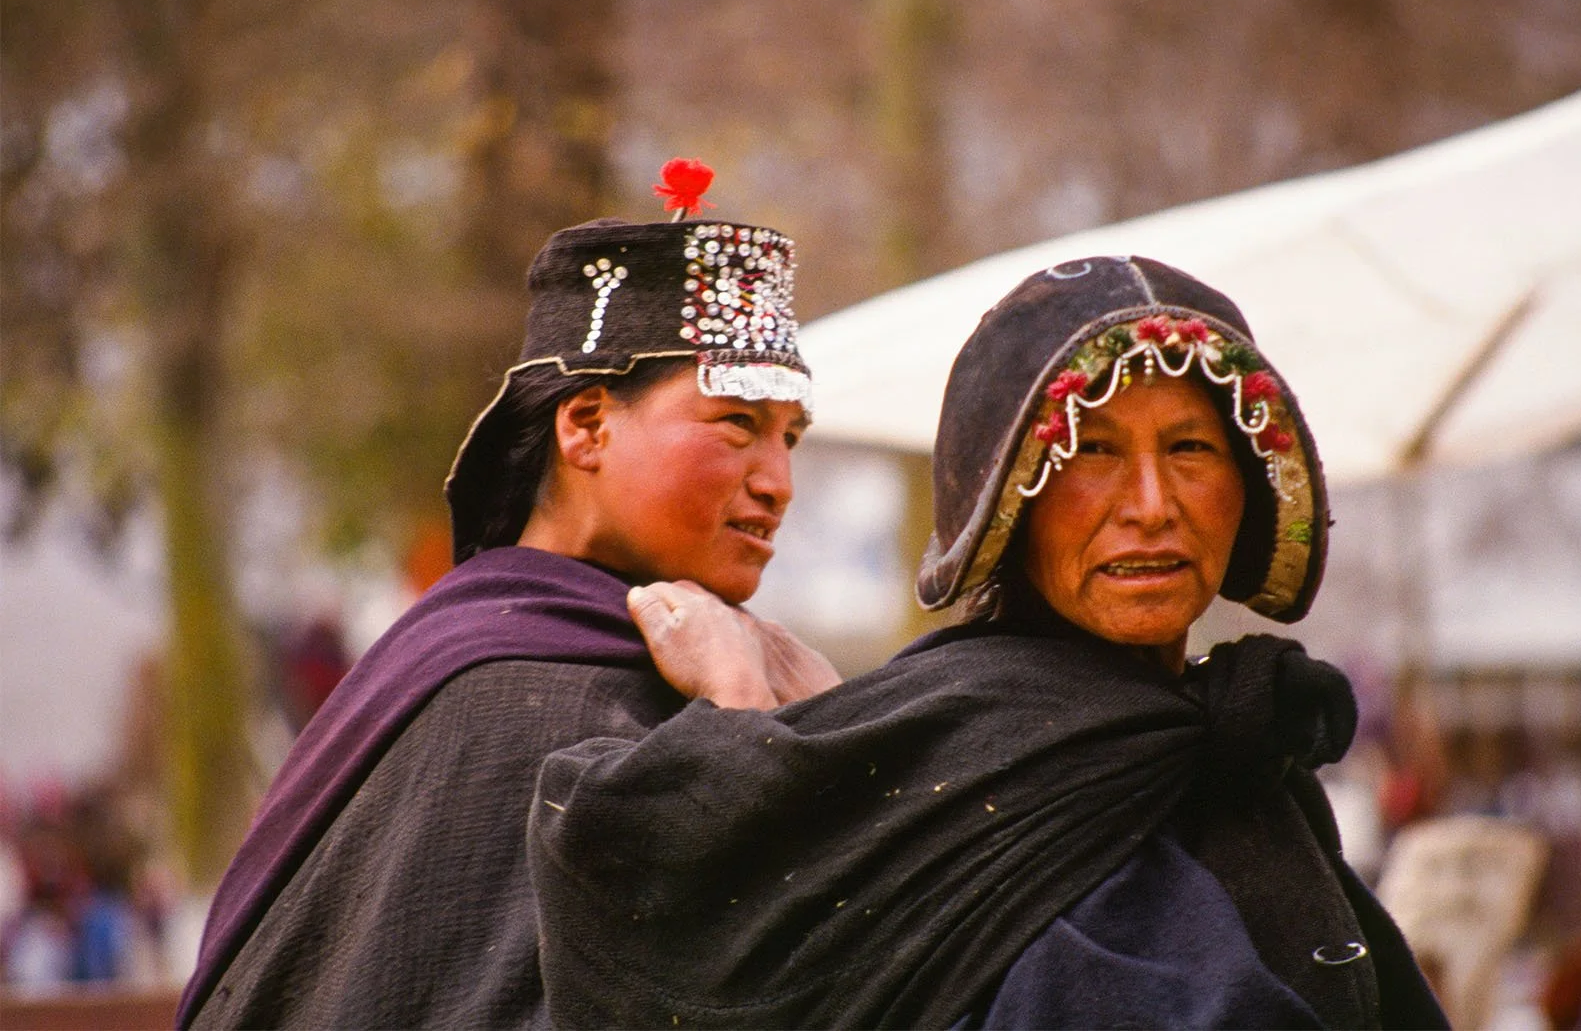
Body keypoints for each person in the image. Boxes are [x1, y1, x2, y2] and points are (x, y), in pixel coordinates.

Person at [531, 256, 1449, 1028]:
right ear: (1011, 502)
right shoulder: (930, 749)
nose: (1152, 506)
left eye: (1191, 450)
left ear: (1250, 485)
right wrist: (741, 725)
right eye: (1091, 450)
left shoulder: (1241, 760)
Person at [177, 160, 835, 1027]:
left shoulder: (529, 651)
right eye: (738, 425)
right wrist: (746, 720)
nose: (778, 481)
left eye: (790, 436)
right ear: (587, 425)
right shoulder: (512, 696)